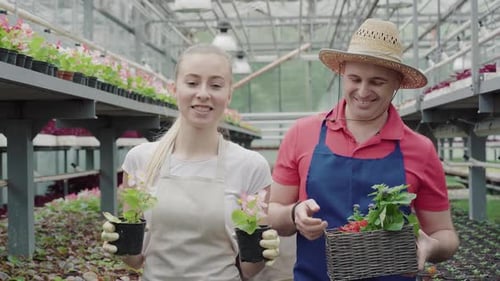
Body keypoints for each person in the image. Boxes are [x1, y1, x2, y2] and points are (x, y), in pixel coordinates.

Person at [268, 18, 459, 281]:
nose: (363, 91)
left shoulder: (420, 149)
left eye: (377, 82)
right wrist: (294, 214)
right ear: (342, 72)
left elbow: (445, 235)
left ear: (397, 83)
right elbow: (274, 211)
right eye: (354, 79)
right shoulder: (302, 134)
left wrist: (431, 246)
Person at [101, 43, 280, 280]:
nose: (203, 93)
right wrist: (118, 243)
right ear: (175, 89)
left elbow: (248, 269)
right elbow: (135, 261)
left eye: (215, 85)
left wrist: (263, 252)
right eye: (192, 83)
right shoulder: (141, 160)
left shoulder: (250, 166)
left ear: (229, 94)